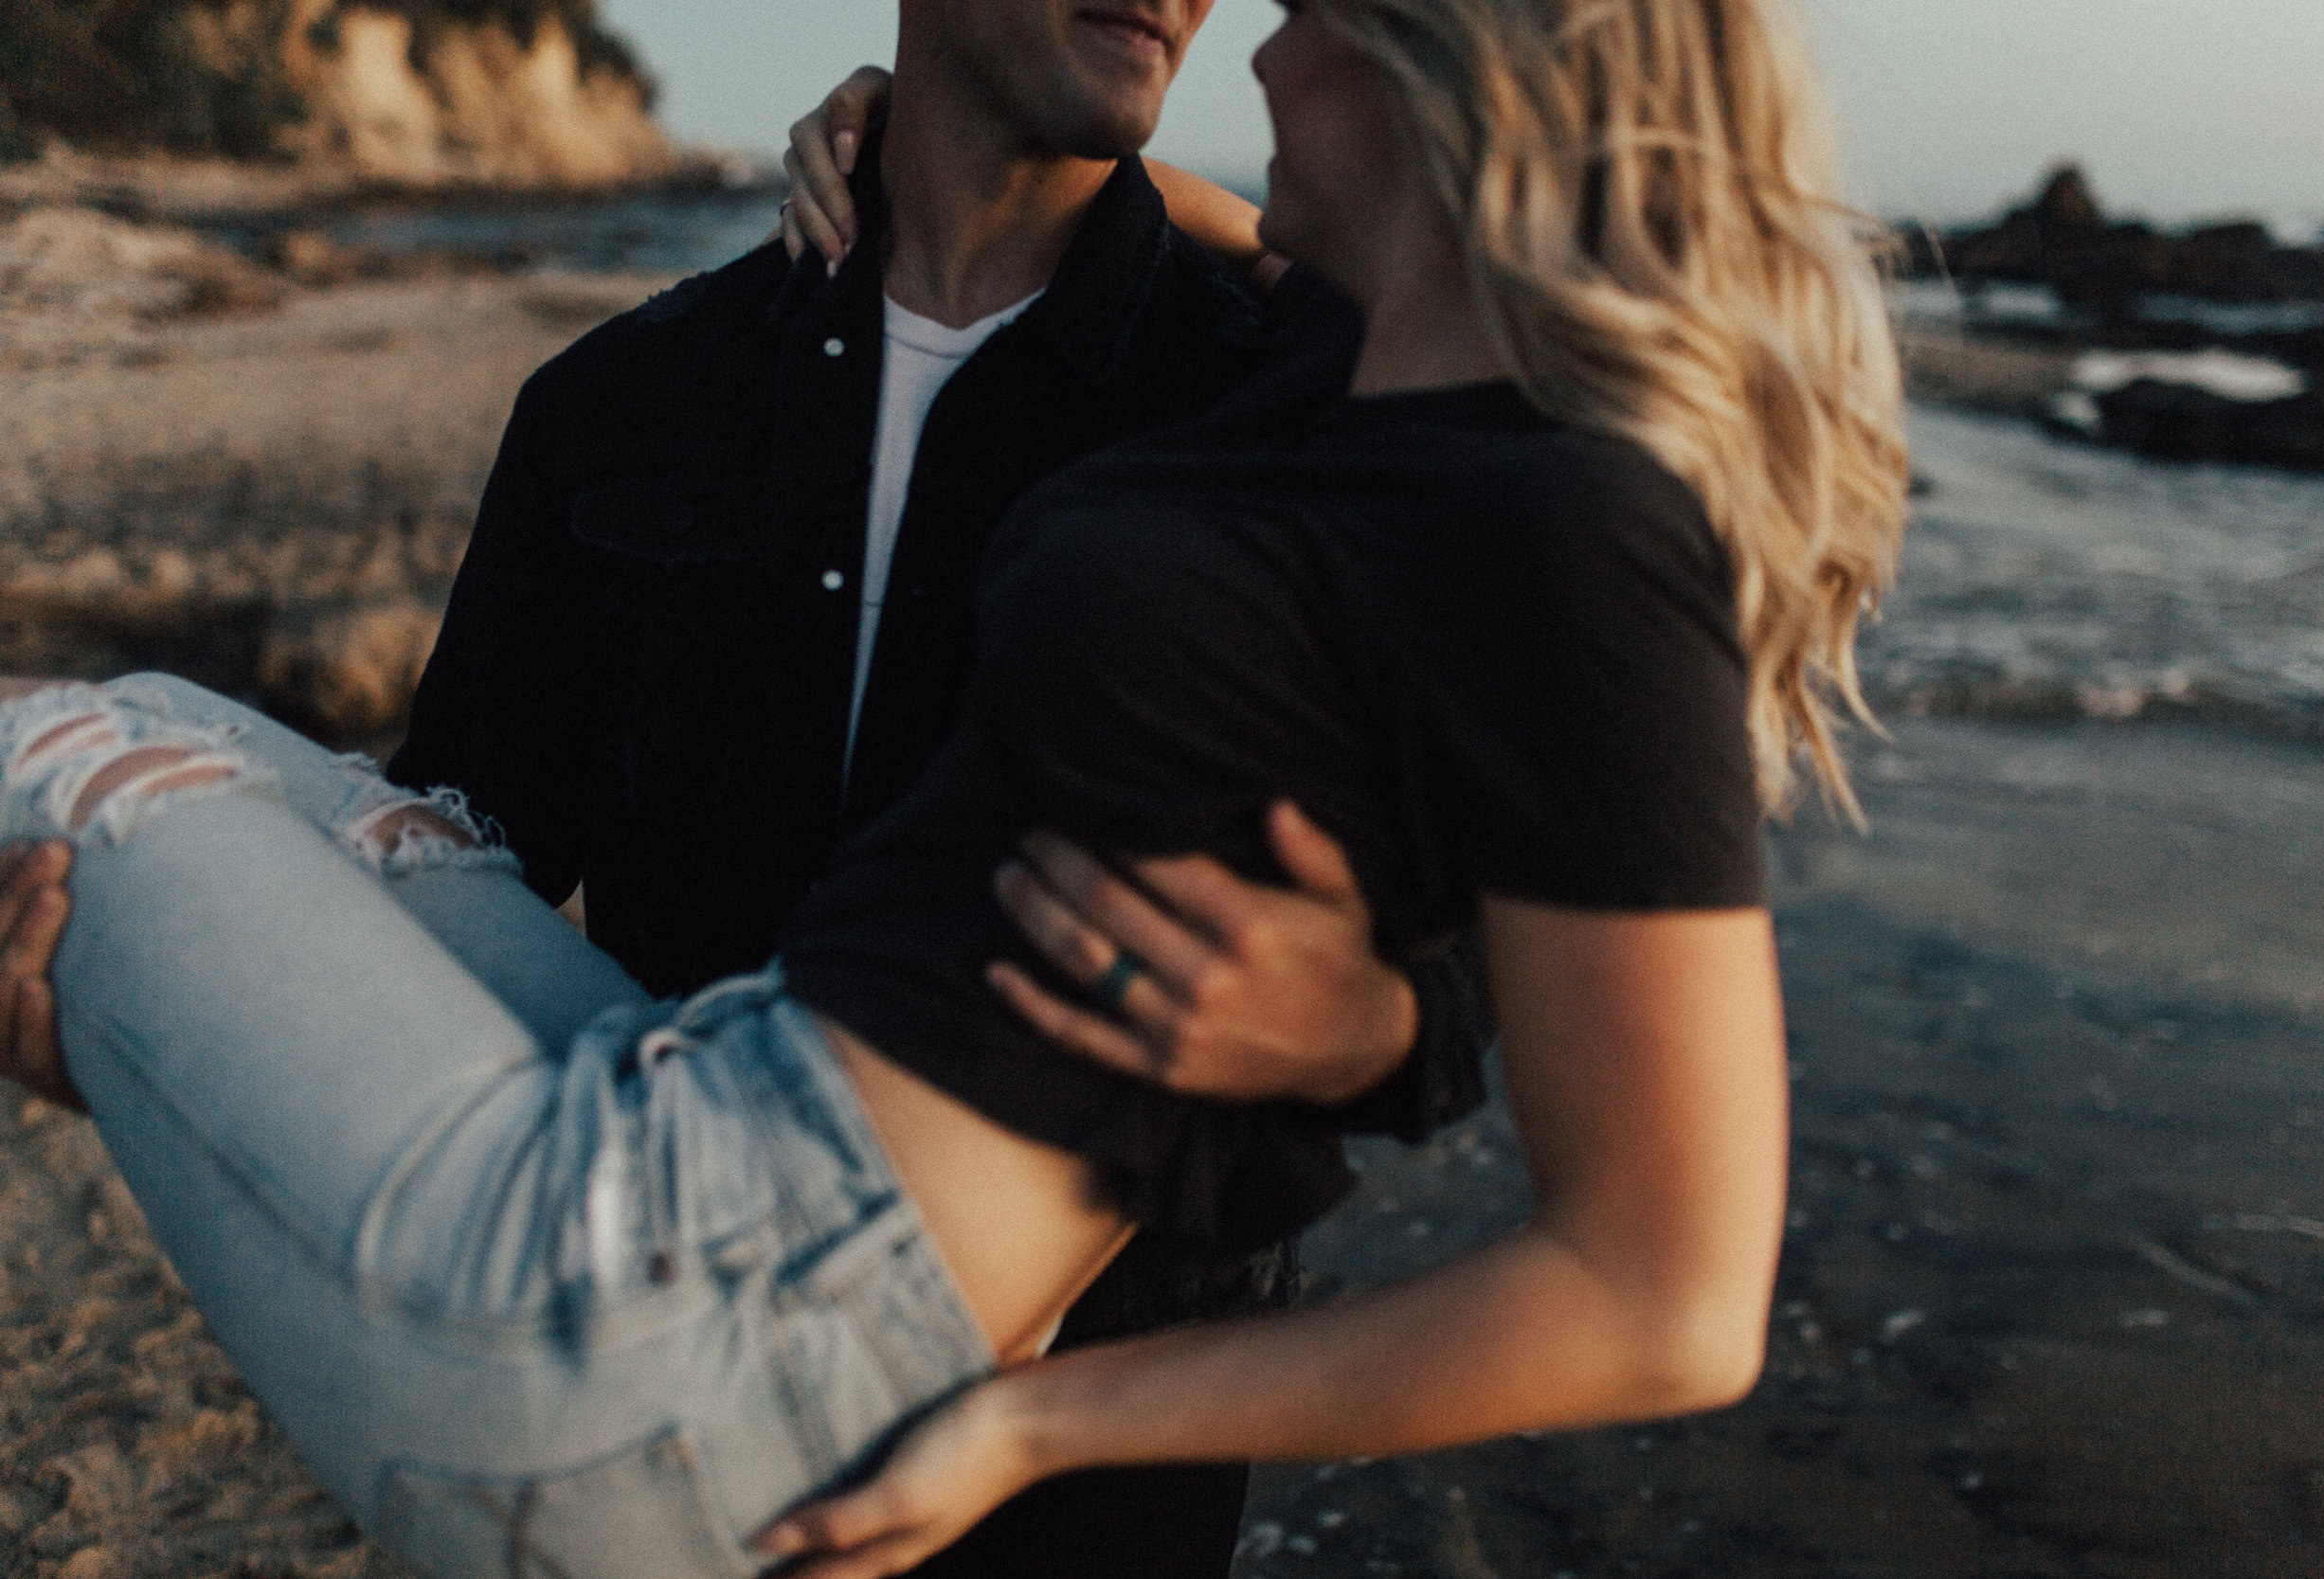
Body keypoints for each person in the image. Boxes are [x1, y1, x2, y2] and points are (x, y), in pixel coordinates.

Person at [0, 1, 1909, 1577]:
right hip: (663, 1140)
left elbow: (1640, 1209)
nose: (1246, 40)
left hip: (977, 1429)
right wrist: (150, 1031)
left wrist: (1377, 1023)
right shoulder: (633, 400)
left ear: (1455, 64)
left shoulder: (1335, 404)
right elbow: (454, 843)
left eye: (1305, 7)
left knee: (56, 755)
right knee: (152, 734)